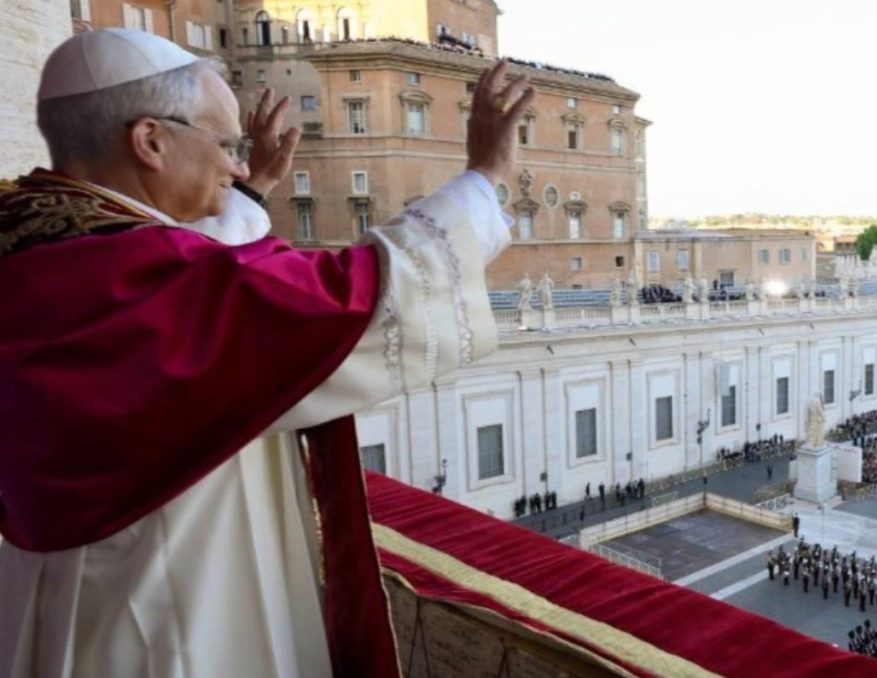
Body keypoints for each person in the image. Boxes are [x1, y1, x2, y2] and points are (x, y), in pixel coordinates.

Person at [0, 28, 535, 678]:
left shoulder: (40, 246)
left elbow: (208, 279)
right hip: (160, 616)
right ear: (150, 141)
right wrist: (483, 180)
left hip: (56, 595)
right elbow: (351, 298)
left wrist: (248, 197)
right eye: (224, 147)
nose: (234, 166)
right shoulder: (151, 281)